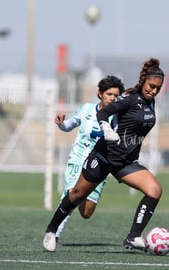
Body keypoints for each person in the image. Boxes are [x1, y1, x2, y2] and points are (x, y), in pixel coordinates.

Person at [43, 58, 165, 252]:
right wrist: (106, 128)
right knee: (75, 195)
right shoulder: (129, 98)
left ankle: (133, 237)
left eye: (158, 88)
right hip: (104, 157)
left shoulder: (151, 102)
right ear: (144, 82)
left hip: (125, 163)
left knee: (154, 190)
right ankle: (51, 231)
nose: (154, 91)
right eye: (151, 86)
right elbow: (102, 112)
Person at [53, 75, 125, 243]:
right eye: (109, 94)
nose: (113, 98)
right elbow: (69, 126)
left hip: (98, 166)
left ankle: (79, 195)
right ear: (100, 94)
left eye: (116, 95)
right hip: (78, 161)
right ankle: (53, 234)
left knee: (86, 213)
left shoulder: (117, 117)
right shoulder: (86, 109)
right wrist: (61, 124)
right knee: (70, 195)